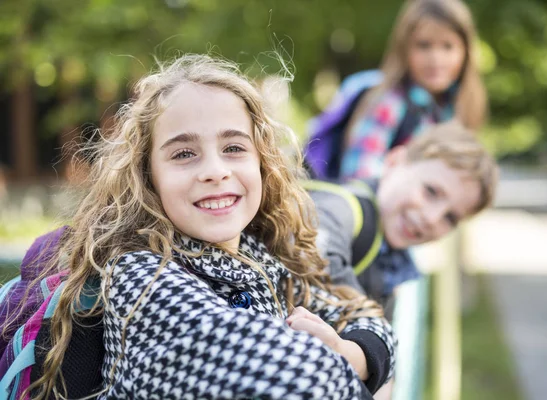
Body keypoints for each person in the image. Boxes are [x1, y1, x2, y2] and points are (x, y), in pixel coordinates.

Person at [10, 55, 395, 400]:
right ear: (148, 177)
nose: (215, 171)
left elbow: (365, 317)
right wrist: (350, 365)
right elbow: (307, 382)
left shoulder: (261, 255)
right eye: (183, 154)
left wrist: (354, 355)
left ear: (262, 162)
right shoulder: (140, 279)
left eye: (234, 148)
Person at [305, 122, 498, 318]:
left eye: (450, 217)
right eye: (431, 192)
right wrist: (372, 335)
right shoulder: (342, 210)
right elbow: (316, 261)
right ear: (394, 162)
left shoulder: (390, 258)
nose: (432, 218)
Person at [304, 0, 487, 180]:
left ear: (466, 51)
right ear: (404, 48)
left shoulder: (457, 107)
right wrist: (399, 174)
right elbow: (360, 174)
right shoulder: (389, 101)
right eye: (424, 45)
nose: (435, 58)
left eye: (448, 46)